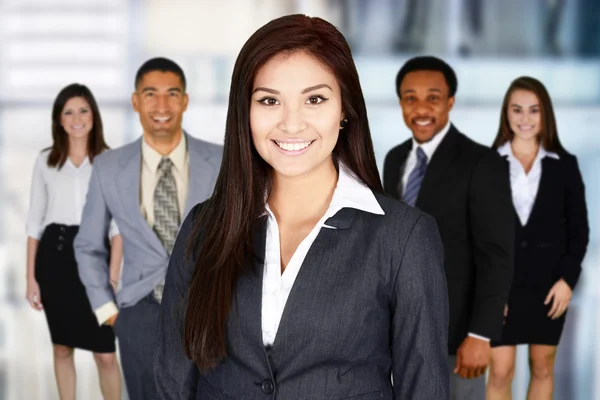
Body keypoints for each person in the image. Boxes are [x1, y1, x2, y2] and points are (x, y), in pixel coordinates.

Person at [154, 14, 449, 399]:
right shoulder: (205, 227)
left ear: (344, 109)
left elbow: (424, 389)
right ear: (245, 111)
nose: (291, 124)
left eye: (315, 99)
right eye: (270, 100)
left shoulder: (403, 238)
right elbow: (173, 379)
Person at [74, 57, 223, 400]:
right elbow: (88, 246)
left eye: (172, 94)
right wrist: (109, 312)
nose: (161, 105)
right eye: (150, 94)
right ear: (135, 101)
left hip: (208, 312)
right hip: (139, 315)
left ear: (185, 100)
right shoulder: (109, 168)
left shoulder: (222, 160)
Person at [382, 56, 514, 400]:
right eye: (410, 98)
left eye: (433, 97)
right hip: (395, 331)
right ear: (401, 104)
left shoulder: (481, 163)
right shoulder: (394, 159)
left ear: (450, 102)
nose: (421, 108)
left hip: (456, 337)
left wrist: (481, 335)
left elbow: (496, 256)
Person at [486, 76, 589, 400]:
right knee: (500, 370)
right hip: (502, 286)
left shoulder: (565, 165)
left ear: (545, 115)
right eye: (517, 110)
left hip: (549, 287)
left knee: (542, 366)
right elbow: (479, 233)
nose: (525, 119)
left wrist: (567, 281)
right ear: (507, 114)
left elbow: (580, 231)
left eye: (534, 110)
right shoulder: (486, 165)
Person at [25, 83, 122, 400]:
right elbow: (34, 222)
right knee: (62, 347)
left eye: (83, 110)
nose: (76, 118)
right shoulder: (46, 162)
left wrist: (112, 275)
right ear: (59, 119)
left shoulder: (109, 161)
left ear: (93, 115)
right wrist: (30, 279)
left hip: (96, 258)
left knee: (105, 354)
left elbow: (117, 227)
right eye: (68, 112)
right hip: (55, 257)